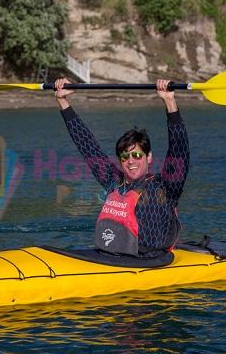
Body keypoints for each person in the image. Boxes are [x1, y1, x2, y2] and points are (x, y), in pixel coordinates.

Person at [54, 77, 189, 258]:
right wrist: (63, 101)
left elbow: (179, 150)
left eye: (137, 155)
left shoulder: (165, 187)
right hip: (112, 256)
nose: (130, 161)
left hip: (151, 262)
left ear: (148, 157)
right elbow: (87, 146)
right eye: (125, 156)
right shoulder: (113, 182)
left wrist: (170, 102)